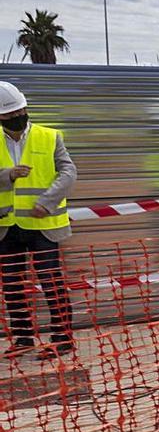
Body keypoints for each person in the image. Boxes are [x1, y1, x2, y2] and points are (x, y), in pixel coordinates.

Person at [0, 81, 76, 359]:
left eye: (19, 111)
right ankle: (23, 338)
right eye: (9, 116)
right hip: (7, 227)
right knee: (12, 284)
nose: (16, 117)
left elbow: (68, 173)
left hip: (44, 226)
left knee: (51, 281)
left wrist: (46, 202)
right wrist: (8, 176)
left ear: (26, 108)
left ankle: (62, 339)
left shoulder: (49, 136)